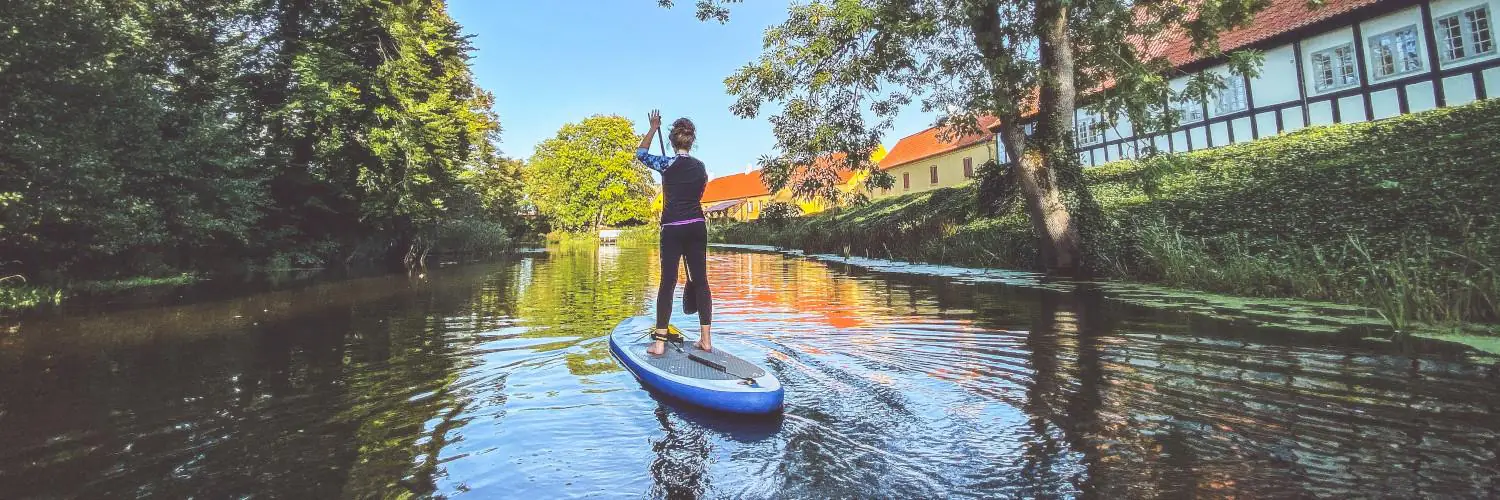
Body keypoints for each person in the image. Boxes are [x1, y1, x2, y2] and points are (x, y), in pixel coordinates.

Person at [636, 110, 712, 355]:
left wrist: (652, 127)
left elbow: (641, 154)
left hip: (672, 228)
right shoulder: (701, 168)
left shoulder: (666, 164)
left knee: (667, 283)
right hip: (696, 226)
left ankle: (659, 344)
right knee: (701, 282)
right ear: (691, 141)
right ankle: (706, 341)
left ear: (672, 140)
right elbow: (698, 195)